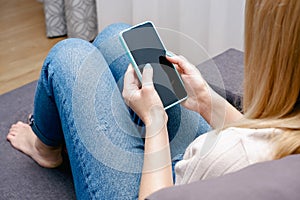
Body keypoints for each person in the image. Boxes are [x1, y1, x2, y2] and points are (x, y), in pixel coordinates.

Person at [7, 0, 300, 199]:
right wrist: (205, 101)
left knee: (70, 55)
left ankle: (44, 147)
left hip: (171, 183)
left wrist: (155, 122)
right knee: (118, 36)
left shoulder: (233, 153)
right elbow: (273, 142)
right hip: (205, 164)